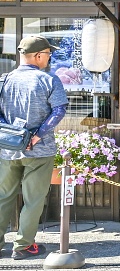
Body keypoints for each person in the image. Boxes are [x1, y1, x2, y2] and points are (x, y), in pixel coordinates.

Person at [0, 36, 68, 259]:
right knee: (33, 200)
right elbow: (58, 111)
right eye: (49, 54)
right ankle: (23, 246)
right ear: (38, 56)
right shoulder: (49, 80)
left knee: (3, 196)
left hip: (8, 149)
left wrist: (10, 134)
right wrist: (37, 136)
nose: (50, 58)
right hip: (39, 150)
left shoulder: (4, 80)